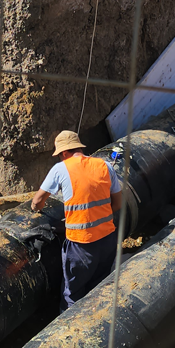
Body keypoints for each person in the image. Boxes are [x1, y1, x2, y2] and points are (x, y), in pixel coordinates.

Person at [31, 130, 124, 309]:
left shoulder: (60, 168)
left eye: (59, 155)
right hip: (108, 239)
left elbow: (37, 200)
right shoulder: (105, 165)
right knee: (99, 286)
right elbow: (117, 204)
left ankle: (69, 328)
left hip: (81, 245)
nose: (60, 158)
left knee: (72, 293)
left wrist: (36, 209)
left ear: (64, 153)